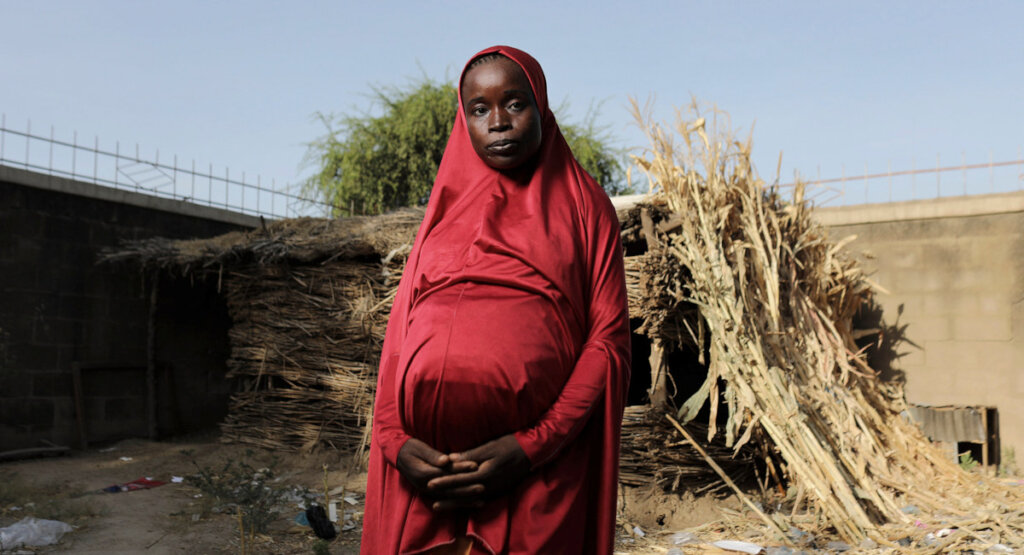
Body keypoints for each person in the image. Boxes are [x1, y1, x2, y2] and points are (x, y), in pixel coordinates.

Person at [361, 45, 631, 554]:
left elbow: (607, 341)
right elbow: (400, 338)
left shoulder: (583, 206)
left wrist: (532, 446)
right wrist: (397, 444)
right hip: (425, 479)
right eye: (479, 109)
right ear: (463, 119)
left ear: (541, 106)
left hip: (533, 473)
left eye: (514, 103)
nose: (499, 122)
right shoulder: (442, 210)